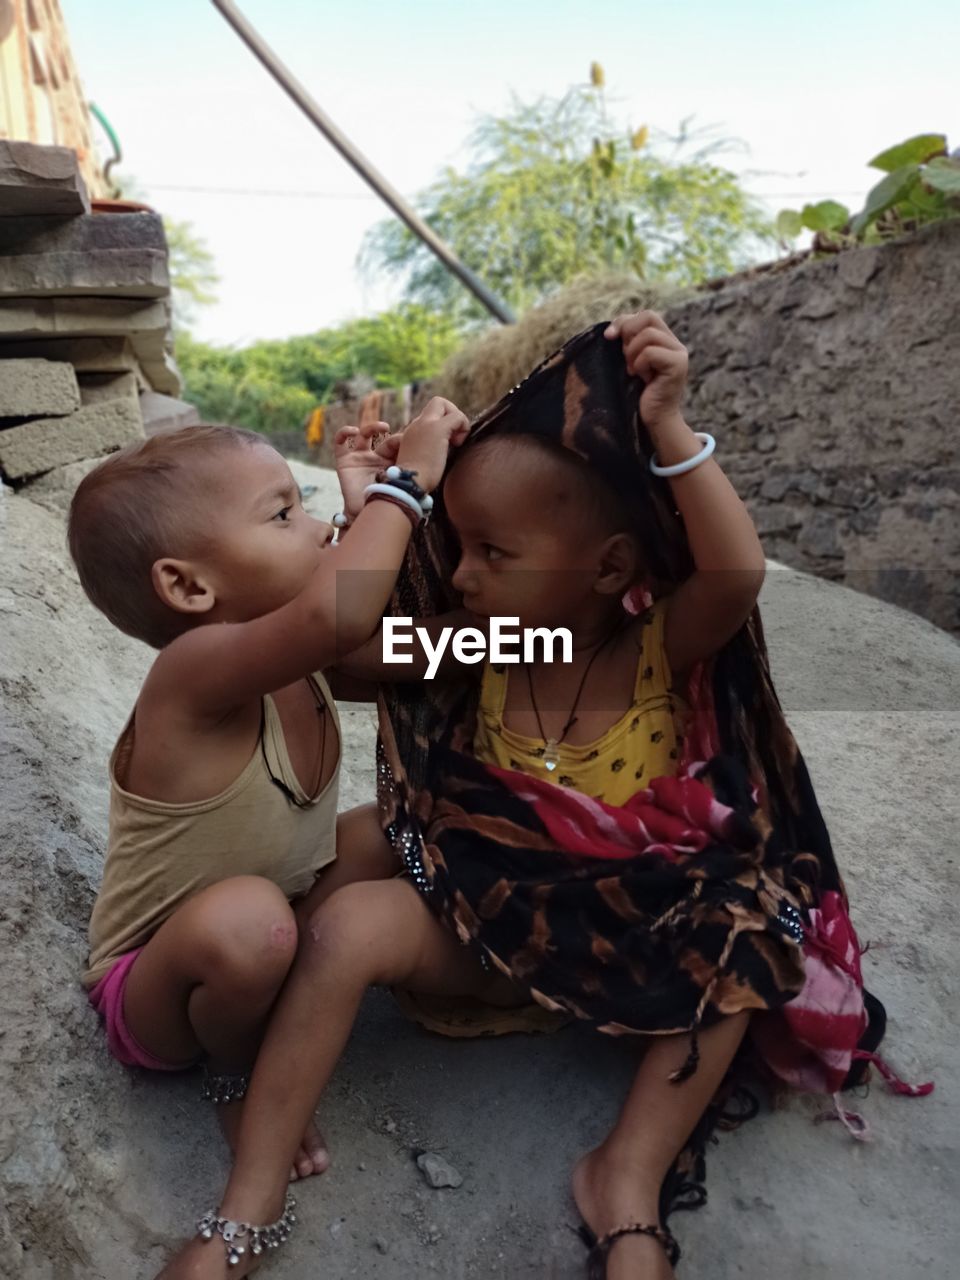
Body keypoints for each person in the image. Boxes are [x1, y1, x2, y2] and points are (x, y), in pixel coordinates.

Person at [155, 311, 839, 1280]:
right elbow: (347, 653)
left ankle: (626, 1178)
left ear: (608, 567)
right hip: (484, 923)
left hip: (626, 940)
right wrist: (367, 504)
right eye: (456, 545)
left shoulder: (655, 652)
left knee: (748, 934)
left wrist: (672, 425)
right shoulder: (499, 642)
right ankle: (252, 1191)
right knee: (349, 896)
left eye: (492, 553)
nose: (461, 574)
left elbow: (734, 570)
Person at [71, 396, 469, 1183]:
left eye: (310, 504)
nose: (318, 527)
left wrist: (565, 635)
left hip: (277, 915)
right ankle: (234, 1068)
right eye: (283, 514)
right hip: (163, 986)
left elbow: (418, 647)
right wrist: (408, 483)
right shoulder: (192, 676)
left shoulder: (304, 655)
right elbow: (338, 614)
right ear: (188, 588)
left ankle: (284, 998)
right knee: (251, 924)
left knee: (394, 825)